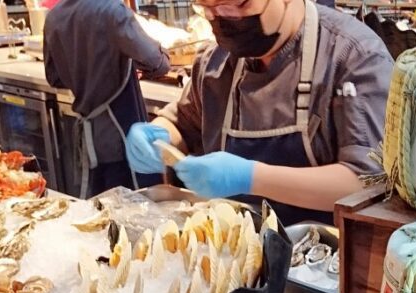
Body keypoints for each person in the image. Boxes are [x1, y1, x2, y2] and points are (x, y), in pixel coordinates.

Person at [124, 0, 393, 225]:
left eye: (238, 4)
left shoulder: (353, 56)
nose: (222, 17)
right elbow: (184, 123)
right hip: (234, 253)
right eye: (208, 7)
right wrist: (160, 136)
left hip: (323, 268)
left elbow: (368, 182)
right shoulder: (215, 61)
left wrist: (250, 178)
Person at [44, 0, 171, 198]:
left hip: (90, 139)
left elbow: (55, 78)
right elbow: (158, 63)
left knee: (102, 211)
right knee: (134, 212)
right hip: (121, 136)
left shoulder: (54, 16)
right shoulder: (113, 11)